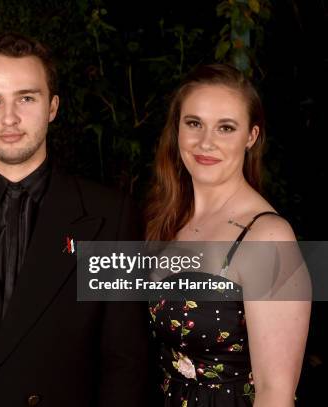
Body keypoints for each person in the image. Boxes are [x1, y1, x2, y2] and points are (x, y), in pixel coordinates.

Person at [0, 32, 148, 407]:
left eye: (26, 98)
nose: (9, 118)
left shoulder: (110, 215)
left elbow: (126, 361)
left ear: (52, 107)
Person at [145, 64, 310, 406]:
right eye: (194, 123)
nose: (206, 142)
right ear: (177, 128)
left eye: (226, 128)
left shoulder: (267, 238)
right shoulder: (170, 218)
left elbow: (275, 394)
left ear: (251, 136)